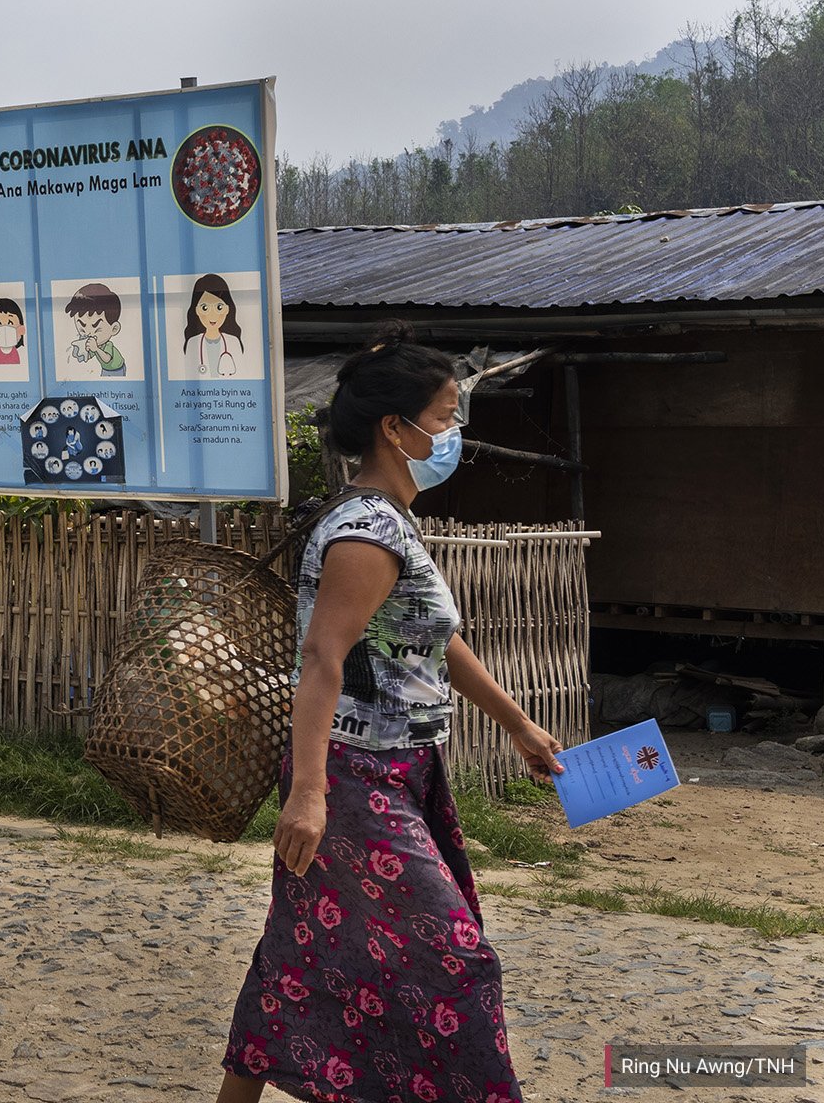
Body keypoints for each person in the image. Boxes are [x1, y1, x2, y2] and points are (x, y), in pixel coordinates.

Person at [218, 322, 563, 1103]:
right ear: (393, 428)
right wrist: (310, 791)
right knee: (456, 967)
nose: (455, 434)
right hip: (353, 781)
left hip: (402, 771)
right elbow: (322, 659)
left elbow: (434, 643)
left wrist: (515, 723)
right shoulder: (366, 531)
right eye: (445, 417)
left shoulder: (390, 520)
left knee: (300, 957)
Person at [184, 273, 245, 377]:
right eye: (205, 308)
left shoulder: (234, 341)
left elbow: (243, 373)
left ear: (227, 309)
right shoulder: (192, 343)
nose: (212, 315)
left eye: (219, 307)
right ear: (197, 311)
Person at [64, 282, 126, 376]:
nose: (88, 333)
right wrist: (79, 350)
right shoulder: (94, 344)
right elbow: (86, 356)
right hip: (105, 369)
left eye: (96, 328)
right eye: (82, 328)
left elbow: (107, 359)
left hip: (117, 369)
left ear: (114, 329)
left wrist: (96, 349)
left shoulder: (107, 345)